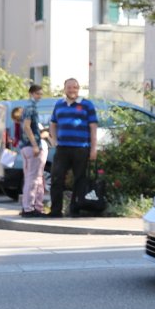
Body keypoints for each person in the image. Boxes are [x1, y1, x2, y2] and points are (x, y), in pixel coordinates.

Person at [47, 78, 98, 218]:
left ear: (78, 88)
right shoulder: (59, 104)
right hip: (62, 148)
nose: (72, 90)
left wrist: (94, 149)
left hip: (81, 148)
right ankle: (55, 211)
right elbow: (53, 123)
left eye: (74, 87)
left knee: (79, 179)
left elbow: (93, 127)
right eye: (69, 87)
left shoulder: (87, 105)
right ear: (65, 89)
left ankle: (75, 210)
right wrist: (54, 140)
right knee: (56, 178)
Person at [18, 83, 48, 216]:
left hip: (26, 146)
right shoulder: (31, 107)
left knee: (34, 177)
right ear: (31, 93)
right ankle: (29, 208)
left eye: (41, 94)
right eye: (37, 94)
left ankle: (35, 206)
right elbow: (27, 126)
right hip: (32, 146)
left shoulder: (26, 107)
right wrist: (35, 144)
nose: (39, 96)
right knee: (33, 178)